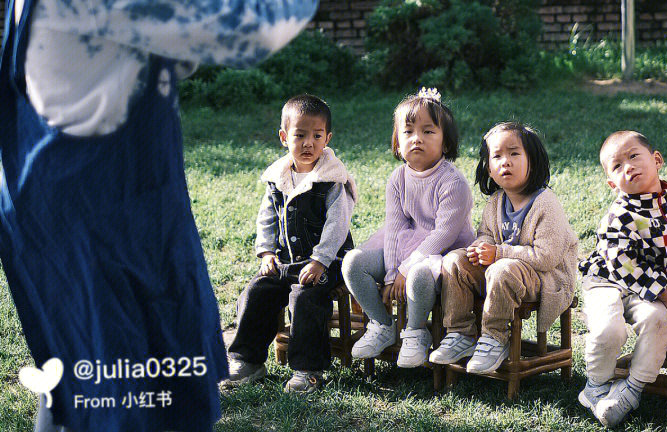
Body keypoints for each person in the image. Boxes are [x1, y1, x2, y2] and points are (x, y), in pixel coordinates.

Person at [0, 0, 323, 432]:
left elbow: (163, 50)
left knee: (95, 400)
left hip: (74, 212)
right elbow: (246, 33)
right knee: (137, 406)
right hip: (106, 222)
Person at [223, 95, 356, 393]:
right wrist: (267, 252)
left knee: (305, 298)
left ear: (328, 138)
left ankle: (308, 369)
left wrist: (320, 260)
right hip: (286, 261)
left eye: (317, 136)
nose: (309, 143)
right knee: (258, 290)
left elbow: (338, 225)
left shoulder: (331, 179)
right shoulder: (278, 177)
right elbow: (267, 218)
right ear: (284, 137)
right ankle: (248, 359)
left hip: (327, 262)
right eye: (300, 135)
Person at [578, 131, 667, 428]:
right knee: (610, 330)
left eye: (634, 156)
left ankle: (632, 389)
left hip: (648, 293)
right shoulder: (620, 215)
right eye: (617, 166)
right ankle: (595, 387)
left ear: (657, 159)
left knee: (659, 321)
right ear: (612, 184)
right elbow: (623, 265)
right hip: (607, 281)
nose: (628, 167)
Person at [429, 122, 578, 374]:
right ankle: (460, 333)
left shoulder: (546, 204)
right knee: (454, 260)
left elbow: (546, 257)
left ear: (534, 159)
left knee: (503, 269)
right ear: (488, 167)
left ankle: (495, 338)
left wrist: (497, 253)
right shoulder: (496, 201)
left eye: (514, 153)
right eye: (496, 156)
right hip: (503, 272)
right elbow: (486, 235)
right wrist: (480, 247)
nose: (505, 161)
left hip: (544, 278)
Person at [343, 88, 474, 368]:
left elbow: (443, 234)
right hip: (407, 246)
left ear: (446, 143)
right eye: (409, 132)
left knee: (418, 275)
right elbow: (394, 228)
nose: (417, 138)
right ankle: (382, 324)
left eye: (429, 131)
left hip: (445, 253)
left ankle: (416, 332)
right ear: (398, 142)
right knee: (353, 262)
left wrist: (404, 269)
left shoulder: (453, 182)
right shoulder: (398, 178)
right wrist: (391, 273)